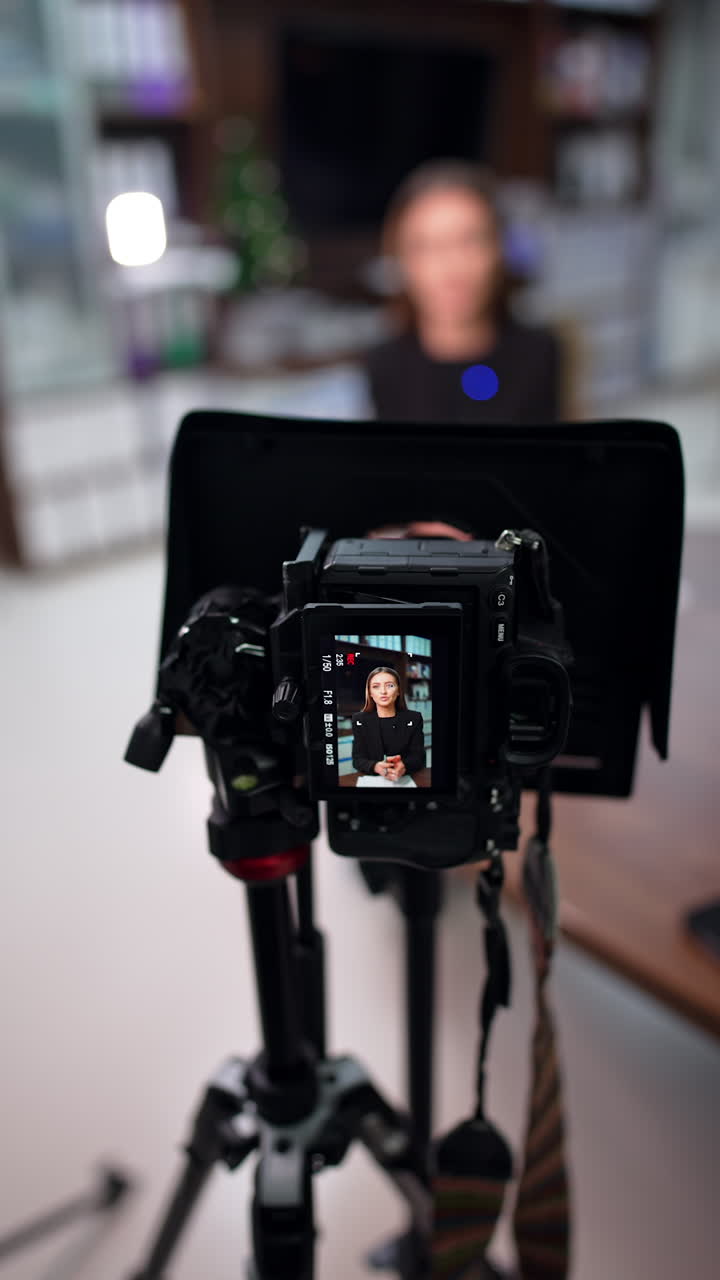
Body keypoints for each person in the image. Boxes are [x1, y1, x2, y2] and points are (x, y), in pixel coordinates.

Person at [364, 159, 563, 425]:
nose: (452, 269)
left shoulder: (541, 354)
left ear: (499, 250)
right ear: (401, 259)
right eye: (429, 246)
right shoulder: (383, 366)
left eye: (470, 241)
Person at [352, 666, 425, 788]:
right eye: (376, 686)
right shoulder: (360, 719)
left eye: (390, 685)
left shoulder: (414, 718)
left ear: (398, 691)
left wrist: (404, 765)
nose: (383, 692)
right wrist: (375, 766)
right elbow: (358, 760)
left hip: (404, 781)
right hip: (371, 782)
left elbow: (419, 757)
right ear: (370, 692)